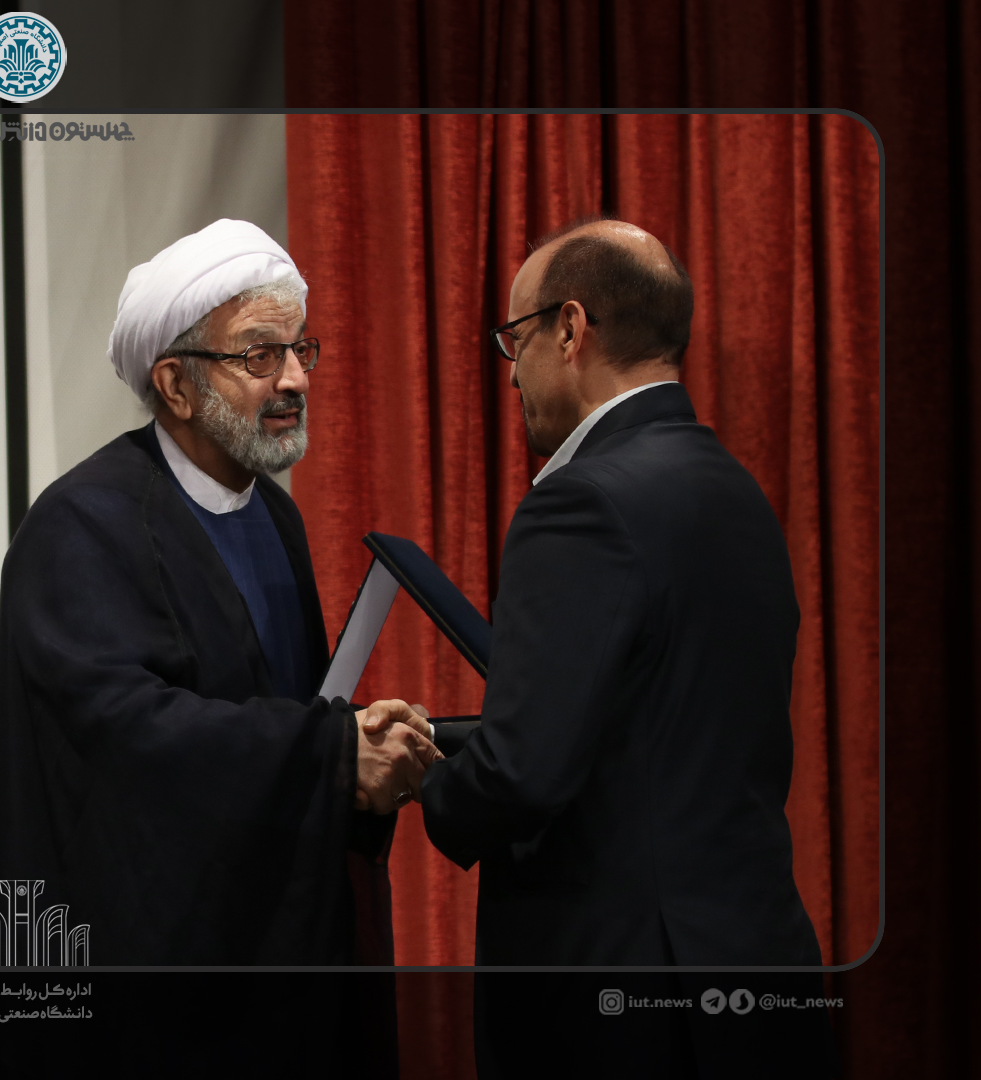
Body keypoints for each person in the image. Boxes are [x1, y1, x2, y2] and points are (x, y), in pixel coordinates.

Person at [0, 219, 437, 1077]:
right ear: (175, 384)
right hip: (141, 985)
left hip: (267, 956)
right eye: (259, 355)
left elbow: (282, 707)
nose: (294, 379)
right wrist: (331, 754)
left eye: (299, 350)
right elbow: (125, 743)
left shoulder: (274, 515)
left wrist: (354, 739)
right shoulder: (80, 525)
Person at [396, 216, 833, 1075]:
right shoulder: (737, 491)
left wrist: (419, 779)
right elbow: (646, 730)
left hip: (623, 1001)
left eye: (516, 338)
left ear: (569, 329)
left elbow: (523, 774)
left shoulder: (580, 502)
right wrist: (444, 734)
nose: (510, 372)